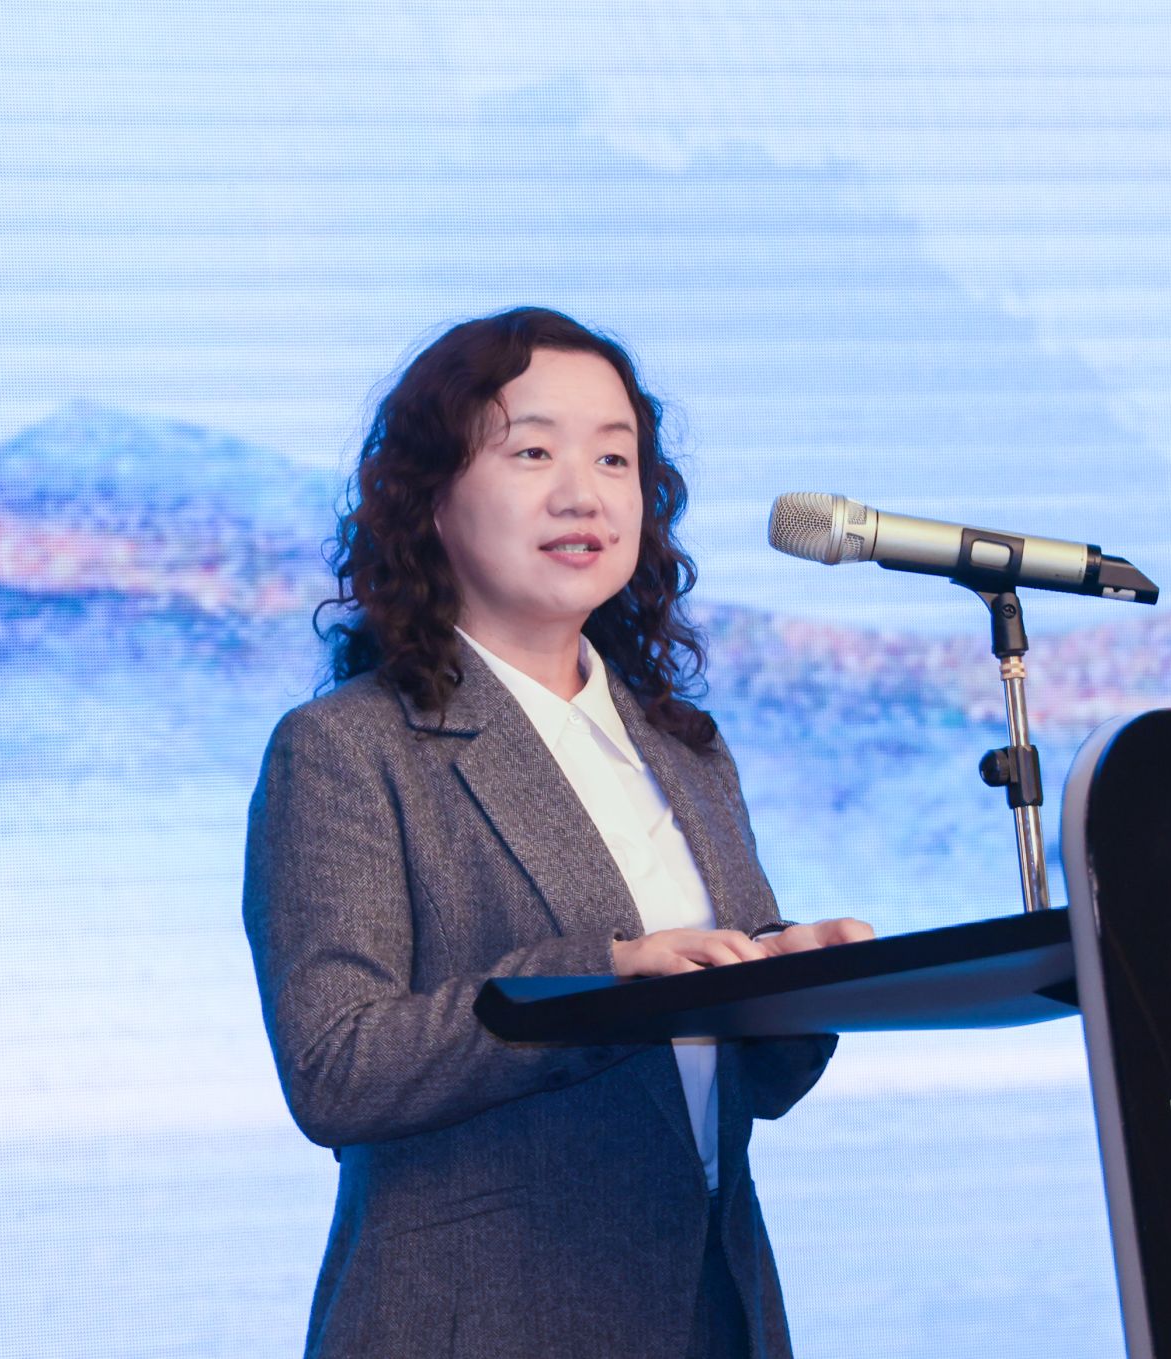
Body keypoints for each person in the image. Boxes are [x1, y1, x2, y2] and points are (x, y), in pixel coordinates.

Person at [241, 306, 873, 1358]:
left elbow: (751, 1091)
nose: (584, 493)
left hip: (712, 1314)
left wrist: (797, 982)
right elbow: (335, 1067)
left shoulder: (685, 750)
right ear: (430, 497)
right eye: (532, 451)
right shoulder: (347, 748)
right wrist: (604, 979)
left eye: (615, 459)